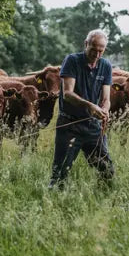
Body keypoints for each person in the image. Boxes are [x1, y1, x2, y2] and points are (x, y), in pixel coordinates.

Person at [49, 29, 115, 188]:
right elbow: (67, 94)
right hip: (70, 125)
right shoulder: (72, 61)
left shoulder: (105, 66)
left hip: (93, 126)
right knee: (60, 173)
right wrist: (90, 105)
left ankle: (102, 199)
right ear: (86, 44)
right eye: (94, 49)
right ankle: (55, 201)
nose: (97, 54)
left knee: (106, 169)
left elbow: (106, 98)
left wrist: (105, 109)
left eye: (101, 50)